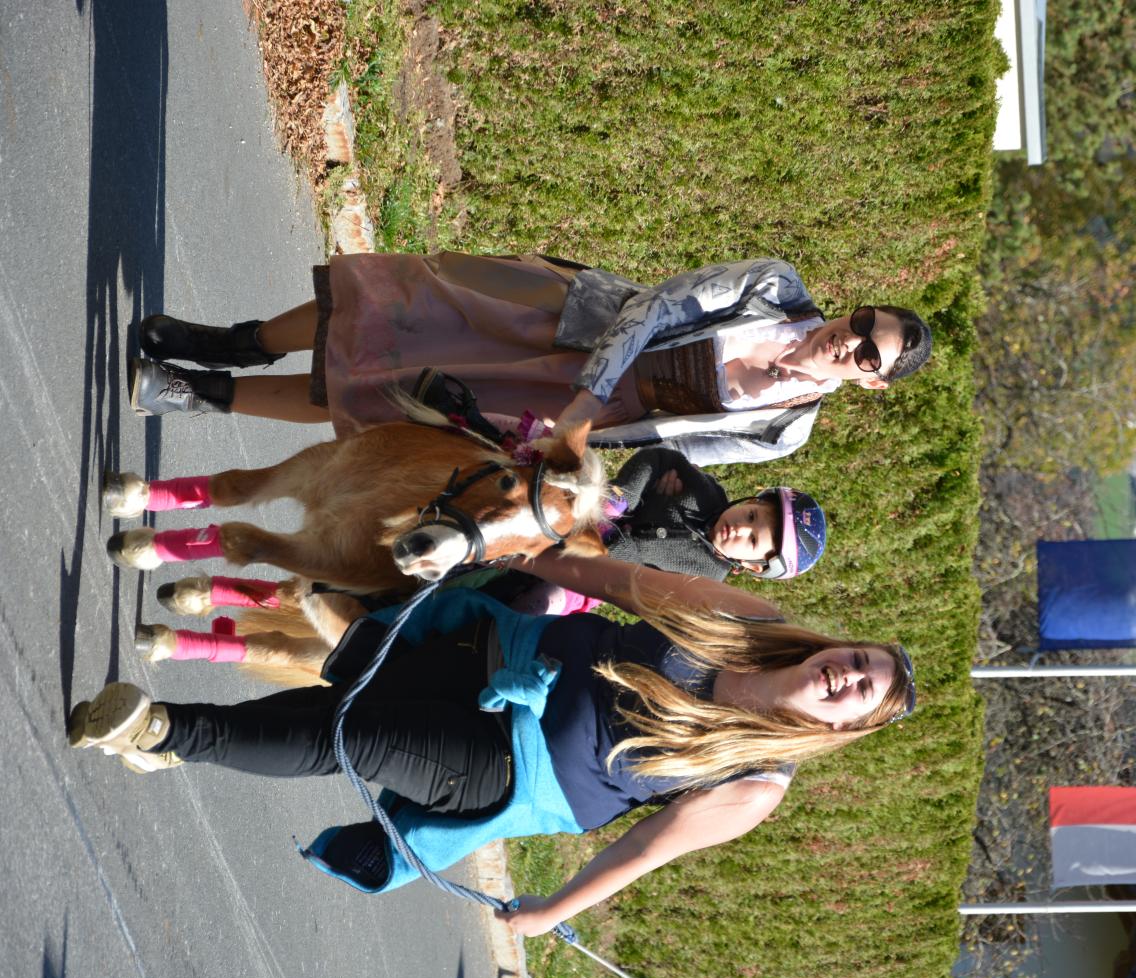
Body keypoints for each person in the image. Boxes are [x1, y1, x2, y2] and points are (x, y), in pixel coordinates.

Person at [66, 551, 916, 935]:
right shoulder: (750, 621)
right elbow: (623, 582)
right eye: (858, 661)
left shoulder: (757, 781)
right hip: (499, 650)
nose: (847, 676)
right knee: (347, 695)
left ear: (842, 728)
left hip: (515, 767)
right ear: (837, 647)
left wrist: (553, 910)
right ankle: (167, 743)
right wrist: (519, 549)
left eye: (861, 692)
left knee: (361, 736)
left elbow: (644, 849)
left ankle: (165, 729)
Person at [128, 253, 933, 464]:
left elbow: (668, 451)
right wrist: (589, 398)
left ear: (871, 385)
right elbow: (658, 307)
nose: (852, 339)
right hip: (566, 324)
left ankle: (199, 394)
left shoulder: (786, 430)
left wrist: (572, 442)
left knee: (386, 398)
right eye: (864, 321)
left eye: (869, 354)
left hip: (558, 414)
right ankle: (230, 343)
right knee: (398, 308)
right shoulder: (776, 288)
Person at [484, 445, 827, 616]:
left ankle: (482, 613)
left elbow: (645, 594)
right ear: (750, 500)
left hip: (597, 573)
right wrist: (625, 497)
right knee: (522, 505)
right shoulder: (702, 491)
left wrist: (614, 553)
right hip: (591, 513)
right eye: (751, 515)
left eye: (751, 540)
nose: (740, 528)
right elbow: (659, 459)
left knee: (544, 601)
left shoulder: (705, 580)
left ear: (753, 567)